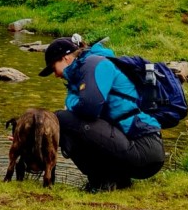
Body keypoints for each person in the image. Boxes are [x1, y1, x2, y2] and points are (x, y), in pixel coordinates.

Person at [39, 35, 165, 191]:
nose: (55, 74)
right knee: (64, 122)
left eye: (53, 68)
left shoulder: (95, 64)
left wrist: (63, 113)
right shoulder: (81, 77)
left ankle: (102, 182)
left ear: (65, 58)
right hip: (132, 147)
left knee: (61, 119)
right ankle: (114, 179)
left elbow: (89, 109)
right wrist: (36, 135)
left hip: (145, 149)